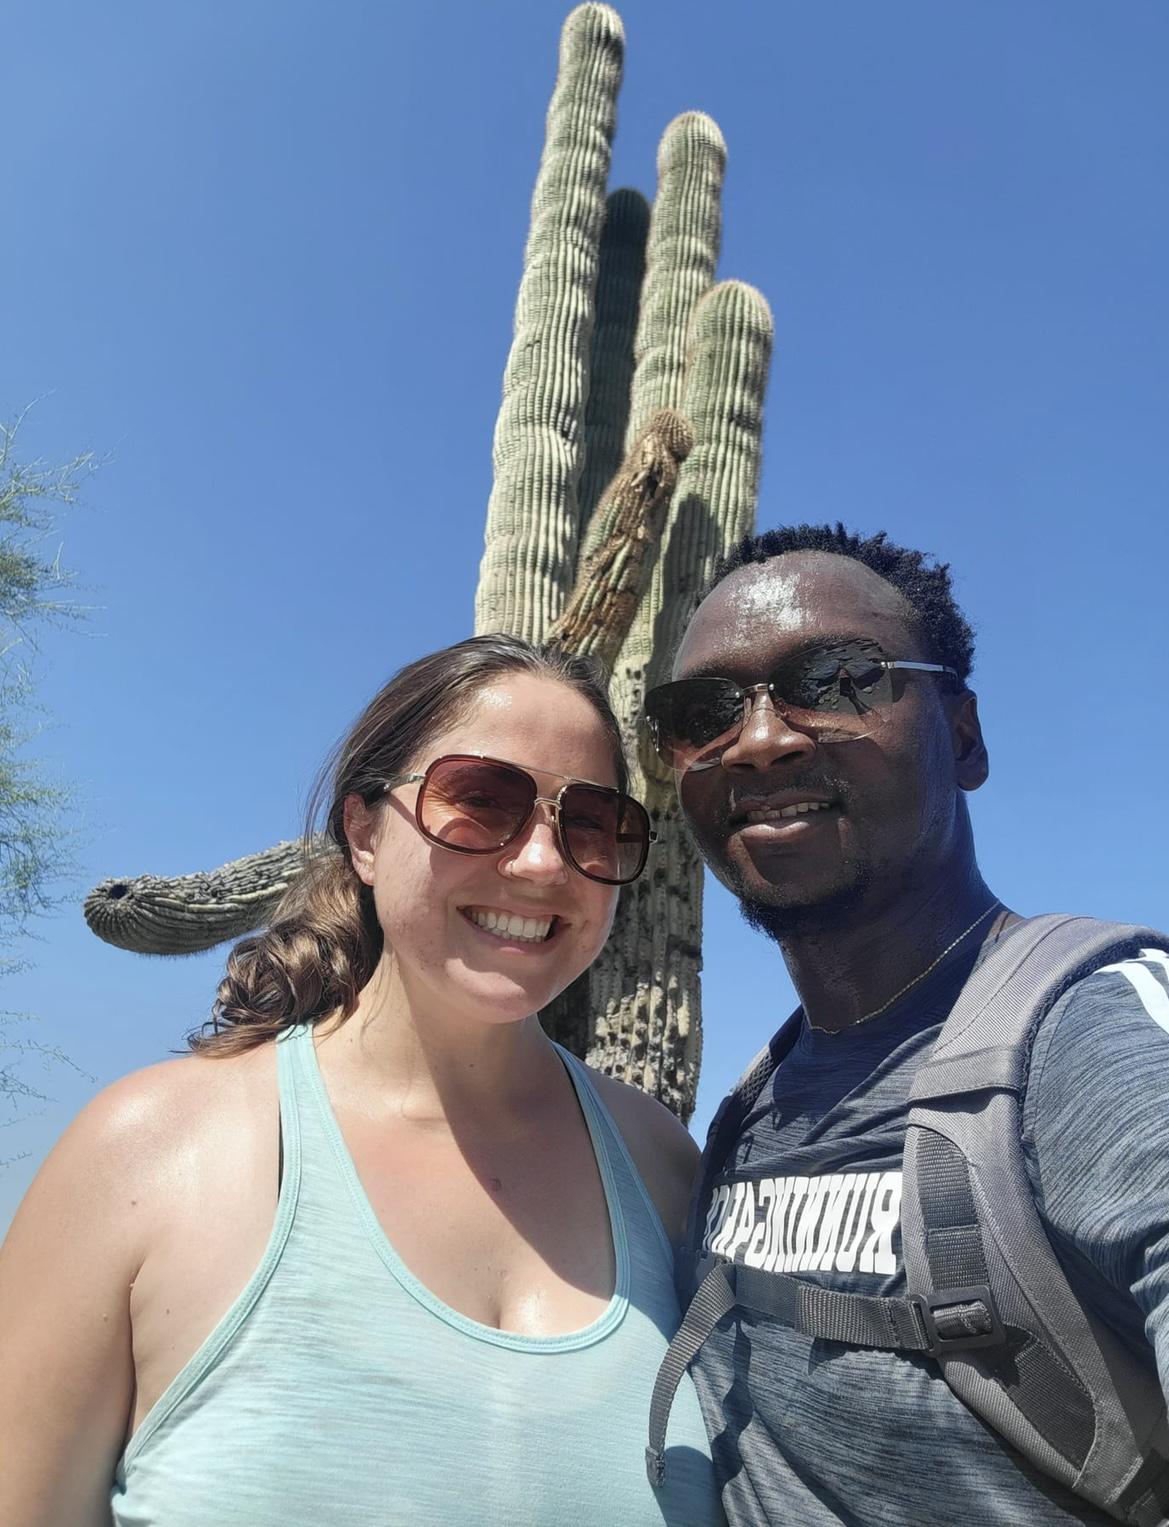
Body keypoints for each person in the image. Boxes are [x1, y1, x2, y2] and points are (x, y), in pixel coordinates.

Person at [0, 633, 724, 1527]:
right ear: (363, 832)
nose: (541, 862)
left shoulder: (665, 1168)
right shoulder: (145, 1155)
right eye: (480, 799)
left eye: (588, 823)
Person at [643, 524, 1169, 1525]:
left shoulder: (1091, 1037)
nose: (758, 740)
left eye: (838, 678)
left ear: (960, 737)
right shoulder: (750, 1112)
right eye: (700, 711)